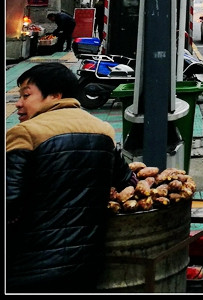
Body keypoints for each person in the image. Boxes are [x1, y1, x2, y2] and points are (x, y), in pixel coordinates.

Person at [6, 62, 135, 292]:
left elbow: (9, 201)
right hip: (87, 266)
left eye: (26, 95)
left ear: (56, 95)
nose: (18, 104)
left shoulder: (25, 133)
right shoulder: (103, 130)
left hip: (28, 268)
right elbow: (128, 182)